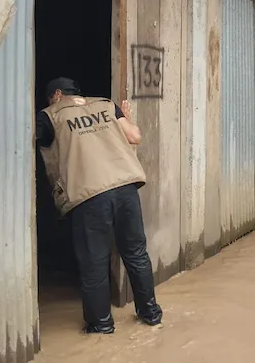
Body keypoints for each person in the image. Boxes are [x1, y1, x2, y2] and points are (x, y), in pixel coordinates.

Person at [36, 77, 162, 334]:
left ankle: (101, 325)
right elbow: (135, 136)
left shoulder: (48, 116)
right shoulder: (106, 105)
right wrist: (124, 118)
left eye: (51, 98)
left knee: (94, 261)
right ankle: (151, 314)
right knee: (136, 253)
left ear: (57, 94)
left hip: (90, 194)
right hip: (126, 188)